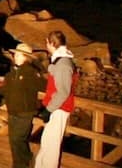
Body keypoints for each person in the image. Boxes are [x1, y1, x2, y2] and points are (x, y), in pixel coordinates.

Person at [34, 32, 78, 168]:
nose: (46, 45)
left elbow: (63, 91)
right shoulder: (60, 61)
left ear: (52, 43)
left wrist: (48, 109)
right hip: (56, 107)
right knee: (47, 142)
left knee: (51, 146)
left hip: (59, 109)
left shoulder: (63, 64)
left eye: (47, 42)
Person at [0, 44, 47, 168]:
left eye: (17, 54)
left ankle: (24, 162)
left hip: (25, 112)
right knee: (13, 140)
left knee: (18, 140)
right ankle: (19, 163)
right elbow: (6, 88)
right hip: (13, 111)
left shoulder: (31, 72)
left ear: (25, 57)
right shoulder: (12, 72)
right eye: (15, 54)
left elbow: (44, 86)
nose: (14, 56)